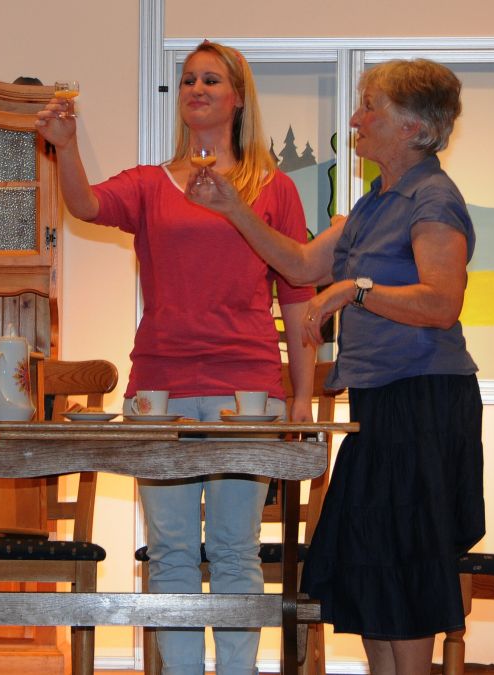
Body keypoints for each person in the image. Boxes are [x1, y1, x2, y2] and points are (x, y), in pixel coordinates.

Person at [188, 58, 484, 675]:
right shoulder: (374, 203)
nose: (356, 119)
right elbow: (300, 265)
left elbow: (441, 303)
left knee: (405, 568)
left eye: (370, 108)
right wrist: (234, 208)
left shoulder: (432, 198)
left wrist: (355, 290)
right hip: (379, 402)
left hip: (425, 401)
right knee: (372, 569)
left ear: (412, 126)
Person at [35, 41, 317, 675]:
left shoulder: (273, 189)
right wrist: (65, 146)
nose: (197, 89)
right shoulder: (150, 184)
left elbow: (298, 297)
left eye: (211, 79)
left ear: (237, 98)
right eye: (189, 79)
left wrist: (301, 395)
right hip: (159, 388)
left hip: (246, 391)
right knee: (170, 552)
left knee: (236, 549)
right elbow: (85, 205)